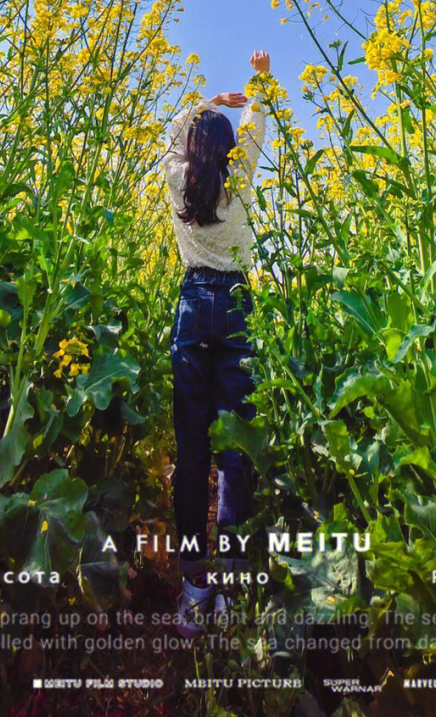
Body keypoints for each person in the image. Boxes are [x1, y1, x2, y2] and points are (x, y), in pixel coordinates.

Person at [162, 49, 270, 636]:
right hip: (235, 307)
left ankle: (192, 588)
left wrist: (203, 104)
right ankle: (228, 589)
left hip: (191, 305)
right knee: (234, 448)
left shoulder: (180, 181)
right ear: (228, 150)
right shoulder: (240, 178)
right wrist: (258, 81)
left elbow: (171, 142)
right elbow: (260, 126)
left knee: (192, 450)